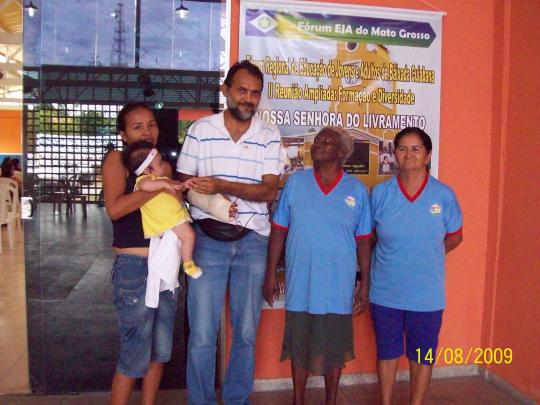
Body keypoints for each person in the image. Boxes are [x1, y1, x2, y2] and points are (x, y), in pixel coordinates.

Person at [177, 60, 283, 404]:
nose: (248, 98)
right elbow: (184, 184)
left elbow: (269, 191)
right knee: (203, 335)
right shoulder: (200, 130)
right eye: (242, 90)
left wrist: (221, 185)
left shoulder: (268, 135)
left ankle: (237, 399)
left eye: (255, 93)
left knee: (247, 333)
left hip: (253, 241)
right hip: (207, 240)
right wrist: (210, 198)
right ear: (225, 90)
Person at [263, 126, 372, 405]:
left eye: (328, 141)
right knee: (299, 342)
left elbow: (363, 242)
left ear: (342, 153)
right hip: (301, 279)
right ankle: (298, 399)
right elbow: (278, 230)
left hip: (339, 283)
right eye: (318, 140)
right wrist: (270, 274)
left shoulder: (356, 191)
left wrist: (365, 286)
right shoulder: (296, 184)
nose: (319, 144)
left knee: (334, 346)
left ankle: (331, 400)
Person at [369, 127, 463, 405]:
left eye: (416, 149)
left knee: (422, 355)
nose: (408, 154)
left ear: (428, 155)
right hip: (386, 291)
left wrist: (429, 253)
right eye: (402, 148)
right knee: (387, 352)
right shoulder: (381, 194)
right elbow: (370, 236)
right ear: (394, 154)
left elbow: (456, 236)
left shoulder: (444, 195)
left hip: (427, 294)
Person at [102, 102, 181, 405]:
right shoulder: (117, 160)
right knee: (134, 353)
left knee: (160, 352)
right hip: (135, 266)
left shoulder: (162, 165)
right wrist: (156, 188)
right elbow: (115, 209)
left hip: (166, 265)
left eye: (151, 125)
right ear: (123, 134)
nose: (147, 132)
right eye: (137, 127)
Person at [122, 140, 202, 280]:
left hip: (174, 217)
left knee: (183, 240)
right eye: (160, 163)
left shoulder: (161, 179)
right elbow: (146, 186)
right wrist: (164, 183)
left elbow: (175, 187)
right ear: (147, 170)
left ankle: (184, 262)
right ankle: (188, 264)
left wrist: (185, 184)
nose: (164, 165)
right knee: (189, 236)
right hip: (169, 220)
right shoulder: (144, 180)